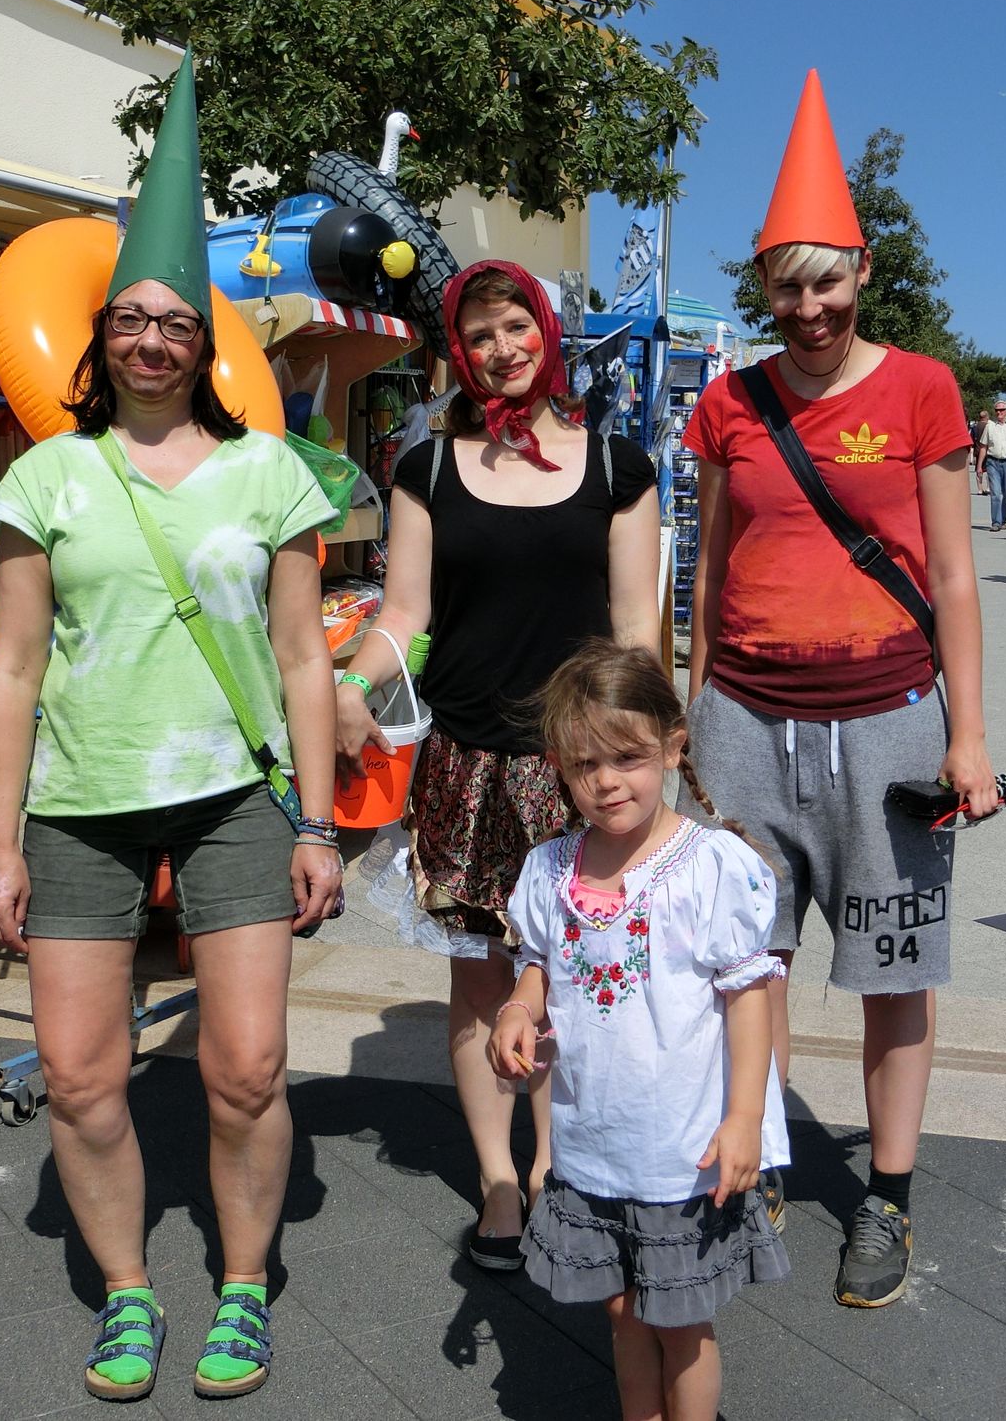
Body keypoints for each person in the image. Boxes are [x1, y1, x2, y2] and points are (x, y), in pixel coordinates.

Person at [0, 54, 341, 1403]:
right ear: (101, 339)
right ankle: (128, 1295)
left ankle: (242, 1287)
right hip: (79, 803)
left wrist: (318, 822)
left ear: (203, 343)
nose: (149, 340)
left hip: (236, 797)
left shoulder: (269, 472)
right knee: (81, 1081)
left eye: (173, 321)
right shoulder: (47, 476)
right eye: (128, 319)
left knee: (245, 1072)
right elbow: (14, 671)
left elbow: (301, 658)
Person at [683, 70, 998, 1310]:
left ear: (861, 272)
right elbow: (707, 569)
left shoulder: (921, 389)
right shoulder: (728, 402)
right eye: (785, 285)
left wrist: (968, 736)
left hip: (890, 725)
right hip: (743, 723)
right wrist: (688, 721)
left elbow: (955, 578)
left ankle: (887, 1195)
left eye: (826, 282)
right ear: (763, 287)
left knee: (892, 967)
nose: (807, 308)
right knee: (741, 963)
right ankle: (753, 1161)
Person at [334, 259, 660, 1272]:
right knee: (480, 982)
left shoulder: (618, 469)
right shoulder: (427, 469)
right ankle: (499, 1182)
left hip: (579, 766)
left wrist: (652, 743)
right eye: (477, 335)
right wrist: (352, 685)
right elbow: (403, 614)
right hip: (464, 764)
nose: (500, 348)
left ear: (545, 332)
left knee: (574, 975)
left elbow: (636, 629)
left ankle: (562, 1169)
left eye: (515, 325)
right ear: (459, 353)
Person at [490, 640, 788, 1421]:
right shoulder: (551, 868)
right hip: (593, 1144)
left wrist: (745, 1118)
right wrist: (519, 1008)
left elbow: (748, 997)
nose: (606, 781)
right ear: (559, 767)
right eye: (585, 764)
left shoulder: (709, 866)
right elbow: (540, 964)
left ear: (672, 747)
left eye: (627, 757)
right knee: (622, 1311)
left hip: (681, 1153)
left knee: (681, 1322)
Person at [977, 400, 1006, 531]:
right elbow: (983, 447)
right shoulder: (989, 426)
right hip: (993, 462)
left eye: (1002, 410)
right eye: (997, 410)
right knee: (996, 494)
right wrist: (979, 466)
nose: (999, 412)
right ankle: (996, 522)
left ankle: (1003, 519)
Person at [970, 407, 993, 494]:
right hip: (988, 451)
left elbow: (972, 440)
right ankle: (988, 488)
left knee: (979, 470)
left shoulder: (975, 427)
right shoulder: (989, 426)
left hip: (978, 450)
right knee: (989, 470)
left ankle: (980, 489)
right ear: (987, 417)